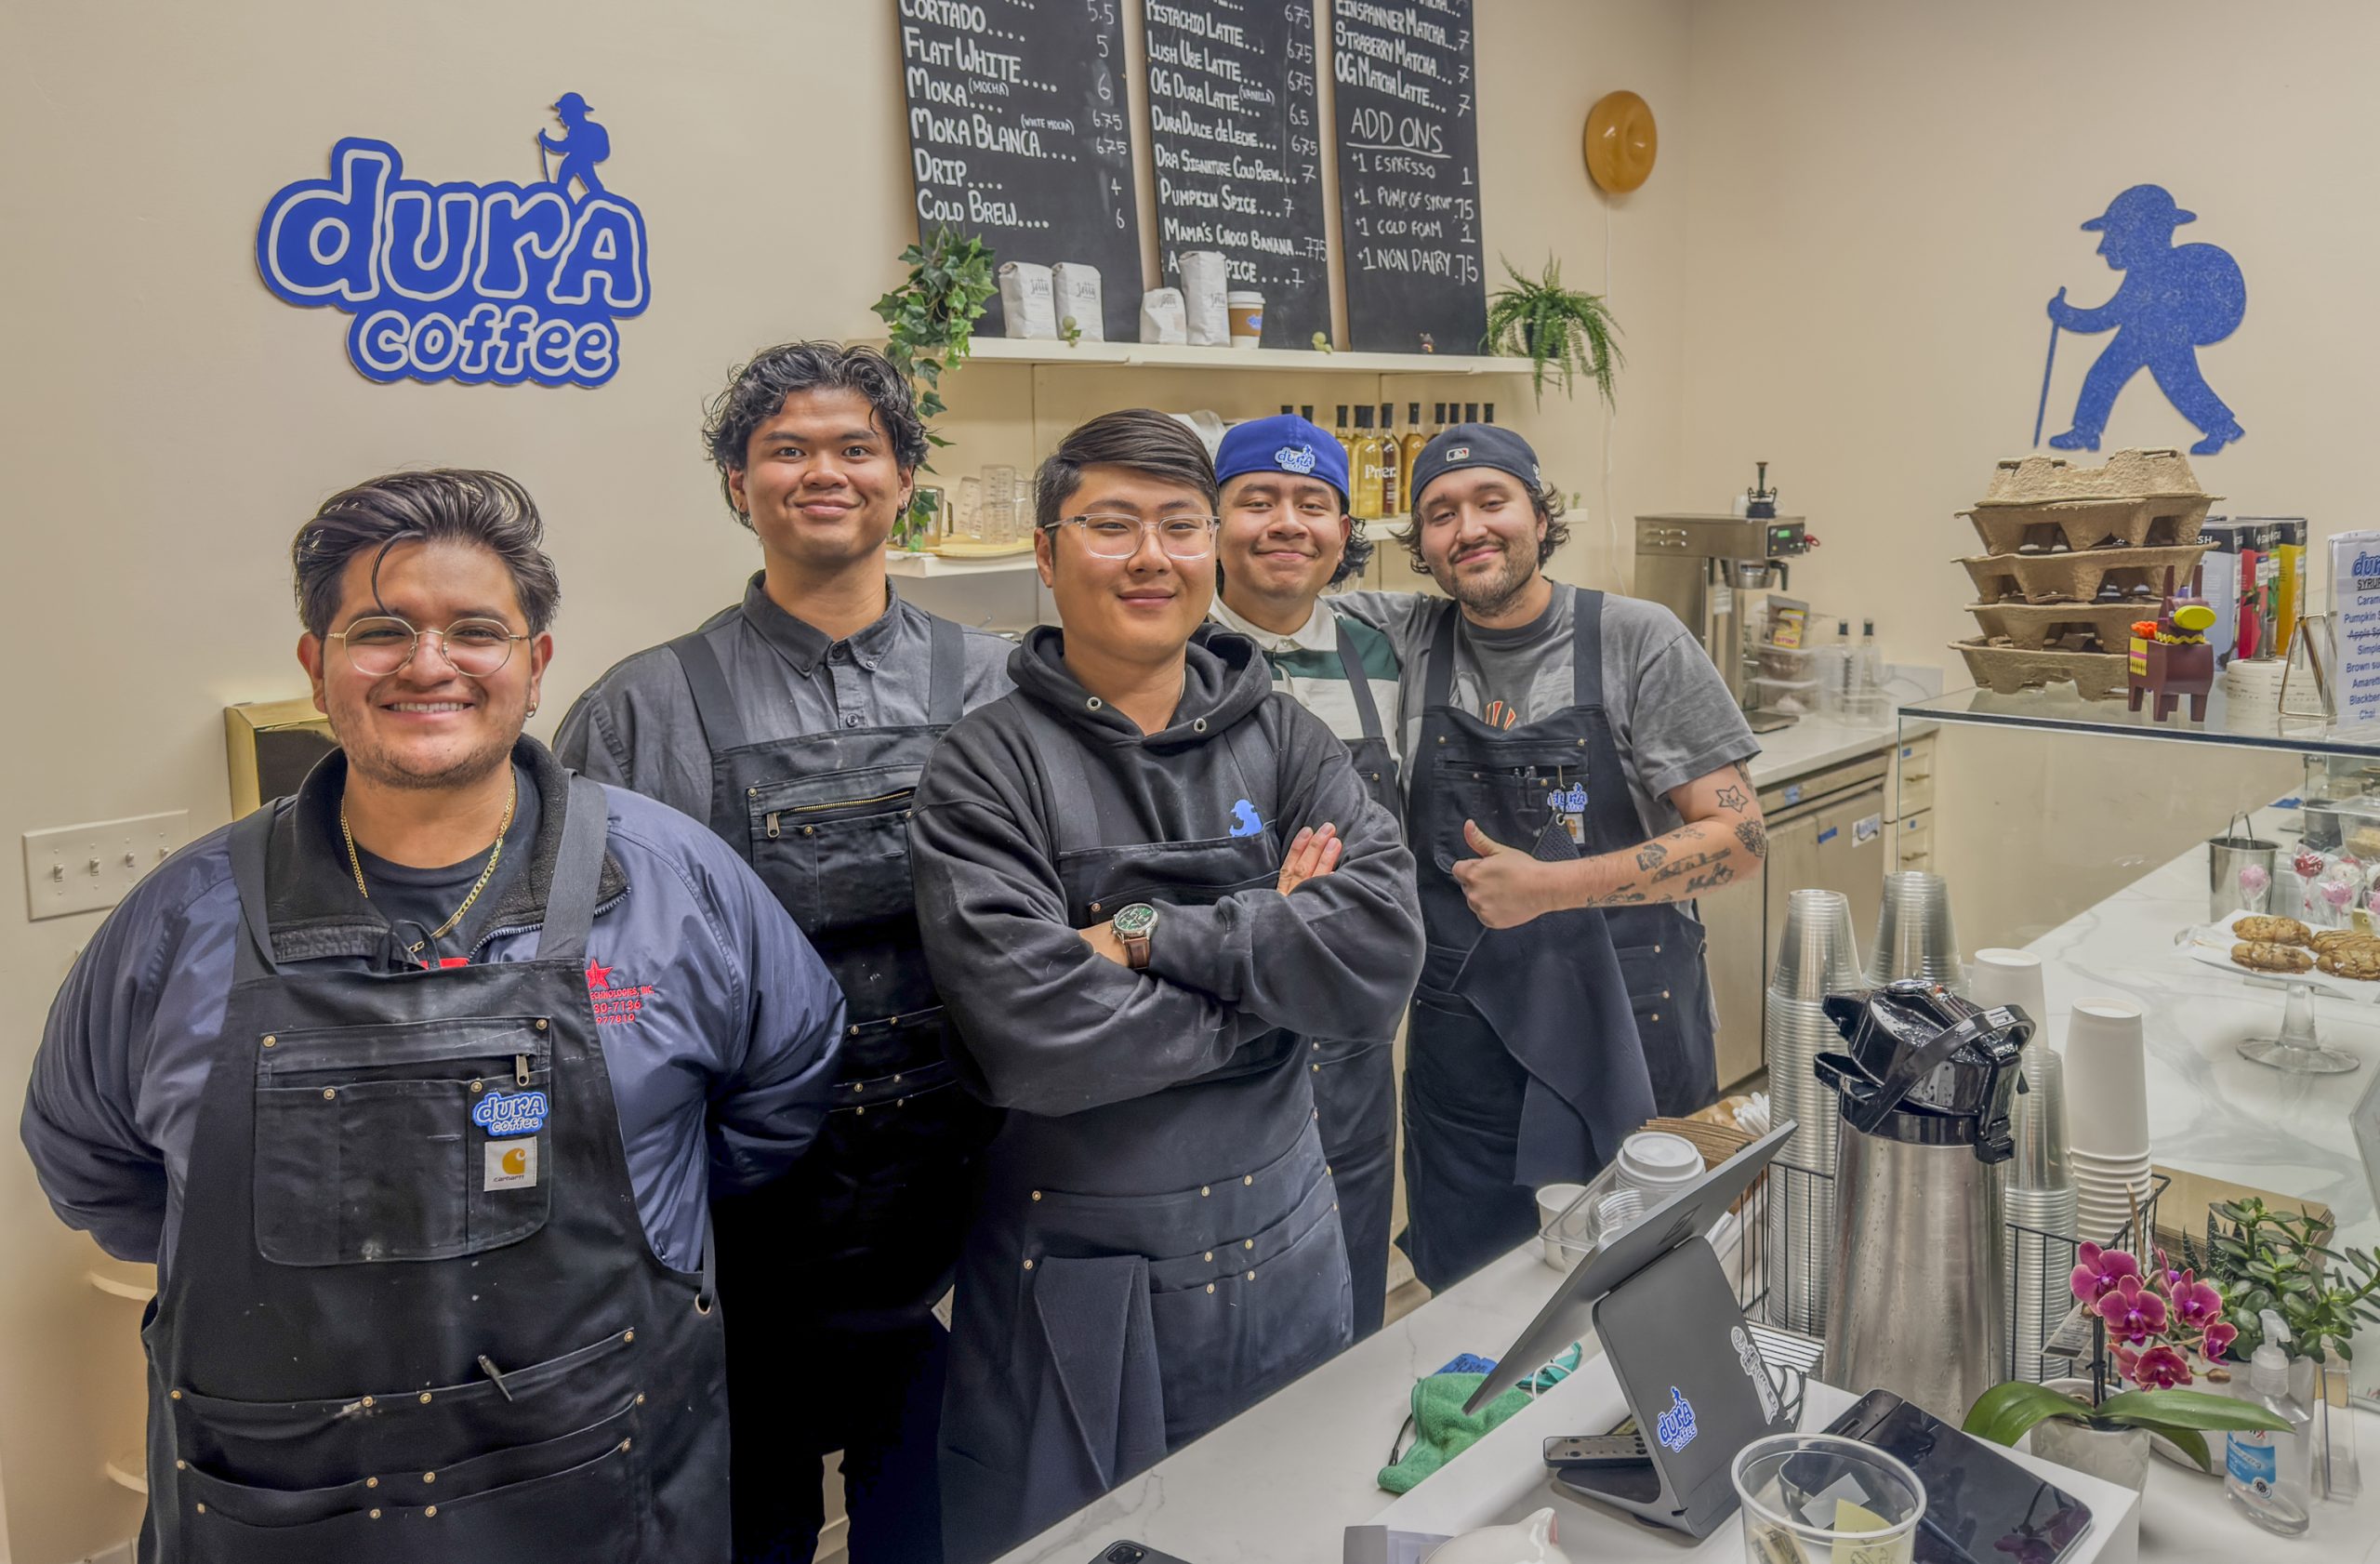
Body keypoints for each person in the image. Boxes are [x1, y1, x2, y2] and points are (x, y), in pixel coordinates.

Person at [20, 470, 844, 1562]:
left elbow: (782, 1089)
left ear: (536, 664)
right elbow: (96, 1169)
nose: (427, 662)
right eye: (379, 630)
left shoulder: (675, 882)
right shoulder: (179, 920)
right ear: (316, 666)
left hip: (610, 1478)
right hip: (278, 1501)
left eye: (475, 629)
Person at [908, 410, 1423, 1560]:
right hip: (1082, 1281)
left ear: (1212, 550)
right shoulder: (983, 767)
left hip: (1289, 1241)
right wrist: (1281, 966)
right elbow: (1037, 1036)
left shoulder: (1283, 735)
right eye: (1112, 524)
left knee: (1284, 1524)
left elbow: (1380, 952)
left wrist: (1134, 931)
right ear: (1046, 554)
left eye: (1180, 524)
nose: (1152, 555)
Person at [556, 341, 1009, 1564]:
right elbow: (578, 986)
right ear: (736, 485)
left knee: (941, 1517)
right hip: (737, 1223)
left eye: (857, 446)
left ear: (903, 475)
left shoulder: (1004, 688)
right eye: (786, 449)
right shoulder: (644, 708)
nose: (825, 471)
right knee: (744, 1527)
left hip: (962, 1208)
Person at [1334, 423, 1767, 1293]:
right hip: (1467, 1040)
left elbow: (1739, 840)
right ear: (1418, 544)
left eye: (1492, 502)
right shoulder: (1404, 639)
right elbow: (1272, 596)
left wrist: (1552, 888)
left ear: (1539, 511)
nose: (1470, 529)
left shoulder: (1637, 639)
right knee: (1474, 1293)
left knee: (1646, 1279)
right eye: (1440, 514)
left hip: (1632, 1020)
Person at [1206, 412, 1403, 1338]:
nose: (1287, 522)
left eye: (1312, 503)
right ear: (1211, 522)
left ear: (1342, 532)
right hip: (1217, 1024)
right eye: (1257, 499)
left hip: (1353, 1033)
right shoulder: (1167, 649)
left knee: (1352, 1270)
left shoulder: (1383, 652)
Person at [2045, 183, 2246, 456]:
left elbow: (2106, 317)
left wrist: (2065, 315)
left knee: (2177, 384)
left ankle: (2222, 426)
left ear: (2141, 235)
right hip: (2144, 331)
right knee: (2112, 375)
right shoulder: (2147, 272)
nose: (2104, 247)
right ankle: (2086, 430)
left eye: (2114, 235)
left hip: (2161, 334)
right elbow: (2111, 314)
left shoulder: (2152, 273)